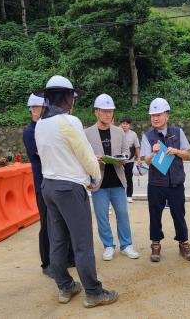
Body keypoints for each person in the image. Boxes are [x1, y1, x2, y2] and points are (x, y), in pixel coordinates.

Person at [35, 76, 118, 308]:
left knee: (58, 239)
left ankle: (65, 286)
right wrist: (96, 175)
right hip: (69, 187)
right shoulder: (69, 122)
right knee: (82, 243)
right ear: (67, 98)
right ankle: (93, 291)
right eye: (72, 97)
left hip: (48, 185)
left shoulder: (40, 124)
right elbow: (84, 153)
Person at [22, 93, 75, 279]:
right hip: (43, 184)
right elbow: (45, 153)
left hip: (57, 180)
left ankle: (68, 257)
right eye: (33, 108)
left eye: (39, 107)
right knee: (47, 225)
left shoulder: (47, 127)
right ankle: (47, 263)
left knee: (64, 222)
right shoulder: (30, 132)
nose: (36, 111)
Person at [85, 94, 139, 261]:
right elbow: (83, 157)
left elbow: (126, 153)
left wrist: (121, 159)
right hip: (98, 182)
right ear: (96, 112)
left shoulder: (119, 132)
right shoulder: (87, 133)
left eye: (110, 111)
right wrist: (94, 159)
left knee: (122, 214)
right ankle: (108, 245)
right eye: (104, 111)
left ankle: (126, 245)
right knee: (102, 216)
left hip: (117, 180)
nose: (108, 114)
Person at [140, 98, 190, 262]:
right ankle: (155, 244)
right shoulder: (147, 136)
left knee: (179, 214)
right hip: (156, 183)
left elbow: (188, 154)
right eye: (152, 115)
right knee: (155, 215)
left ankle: (183, 243)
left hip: (176, 182)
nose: (155, 118)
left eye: (158, 114)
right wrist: (153, 152)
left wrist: (176, 151)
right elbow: (146, 160)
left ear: (167, 115)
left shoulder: (178, 132)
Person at [119, 117, 141, 203]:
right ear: (120, 124)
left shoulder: (133, 134)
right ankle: (120, 196)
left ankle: (129, 196)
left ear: (129, 125)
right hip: (119, 160)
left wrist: (138, 158)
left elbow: (137, 147)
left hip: (130, 160)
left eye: (126, 124)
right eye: (123, 123)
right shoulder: (117, 132)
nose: (124, 125)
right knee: (119, 178)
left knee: (129, 178)